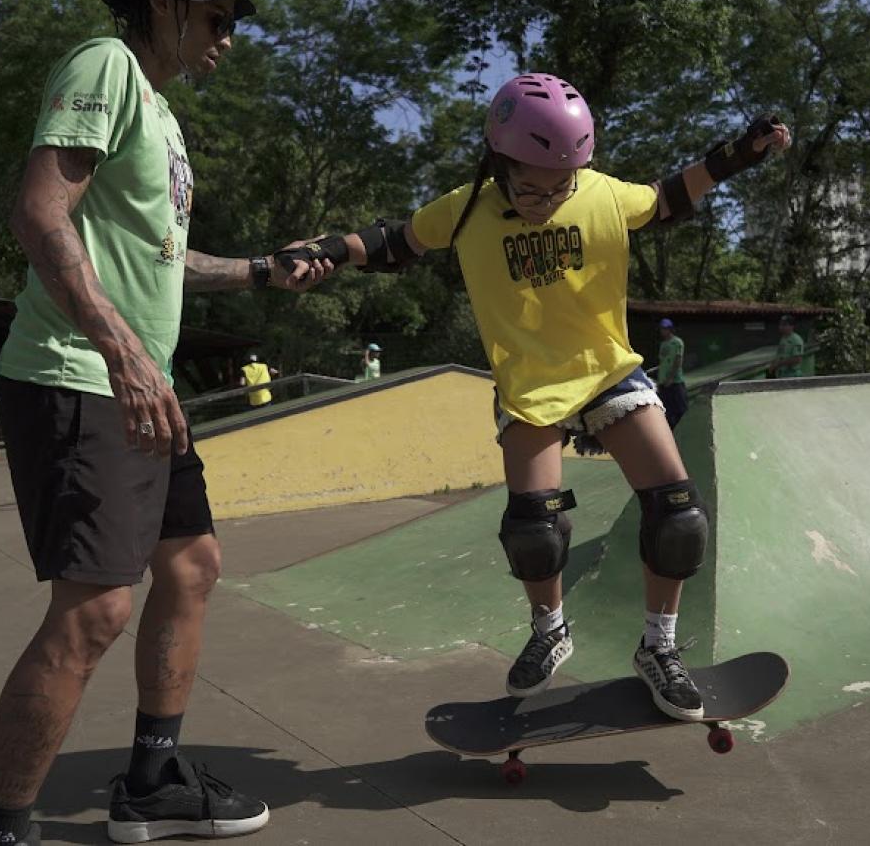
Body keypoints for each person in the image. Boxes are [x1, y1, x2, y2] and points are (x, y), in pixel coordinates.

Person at [270, 74, 791, 720]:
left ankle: (659, 647)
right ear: (499, 164)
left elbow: (667, 198)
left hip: (607, 369)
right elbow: (389, 242)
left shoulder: (601, 193)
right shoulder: (467, 208)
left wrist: (736, 155)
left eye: (560, 186)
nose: (546, 200)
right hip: (529, 384)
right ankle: (550, 630)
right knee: (534, 530)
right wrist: (321, 249)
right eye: (530, 188)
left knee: (679, 514)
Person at [0, 0, 334, 846]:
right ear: (166, 6)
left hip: (143, 388)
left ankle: (152, 779)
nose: (227, 36)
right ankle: (4, 828)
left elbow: (160, 263)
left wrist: (259, 270)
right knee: (96, 606)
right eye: (216, 16)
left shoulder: (163, 118)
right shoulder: (105, 66)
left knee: (191, 565)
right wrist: (124, 354)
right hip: (81, 375)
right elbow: (38, 210)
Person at [655, 319, 688, 429]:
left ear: (670, 329)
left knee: (680, 409)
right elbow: (663, 362)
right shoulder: (663, 344)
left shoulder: (677, 342)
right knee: (667, 411)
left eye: (665, 329)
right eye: (661, 329)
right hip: (663, 382)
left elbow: (678, 361)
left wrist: (670, 378)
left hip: (675, 381)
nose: (662, 331)